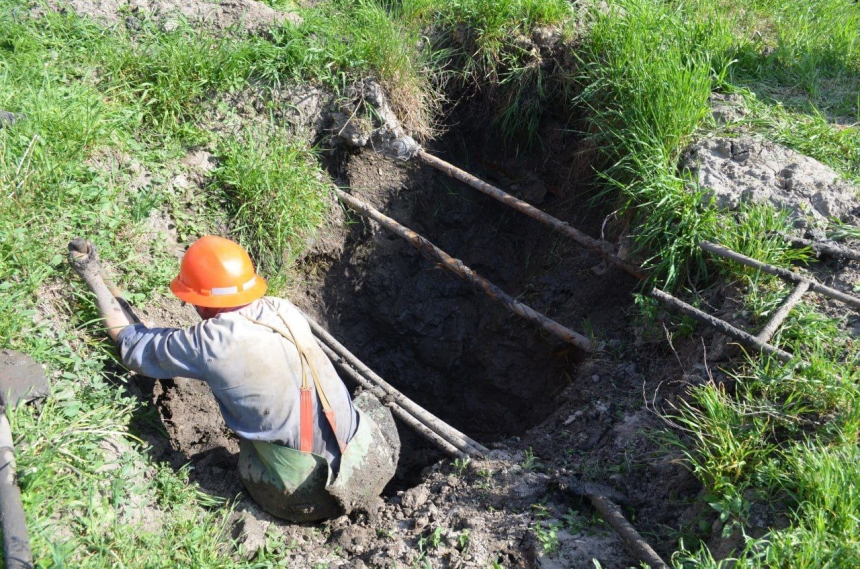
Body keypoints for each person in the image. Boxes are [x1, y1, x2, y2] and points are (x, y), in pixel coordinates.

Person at [69, 235, 399, 522]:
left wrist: (93, 276)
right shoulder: (283, 308)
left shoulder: (210, 341)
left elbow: (131, 343)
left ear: (200, 302)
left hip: (307, 497)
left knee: (251, 453)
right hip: (370, 460)